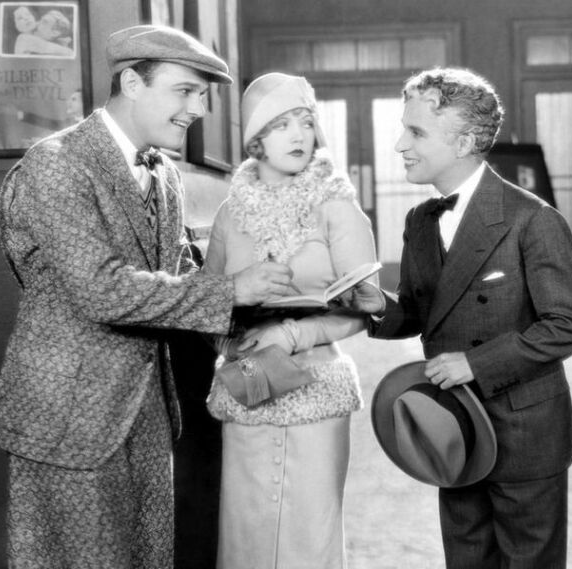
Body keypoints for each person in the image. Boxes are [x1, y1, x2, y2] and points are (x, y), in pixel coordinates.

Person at [0, 25, 294, 568]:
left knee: (148, 558)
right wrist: (230, 290)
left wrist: (260, 318)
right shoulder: (56, 163)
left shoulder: (164, 173)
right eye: (185, 91)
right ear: (131, 83)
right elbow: (102, 290)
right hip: (69, 420)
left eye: (202, 95)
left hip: (148, 412)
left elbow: (175, 274)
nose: (197, 108)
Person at [349, 67, 572, 568]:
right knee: (467, 557)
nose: (400, 144)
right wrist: (380, 306)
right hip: (454, 426)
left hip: (524, 432)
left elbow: (569, 323)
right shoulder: (420, 220)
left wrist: (475, 364)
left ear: (463, 142)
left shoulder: (533, 219)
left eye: (416, 132)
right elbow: (422, 312)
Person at [203, 72, 378, 569]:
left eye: (305, 122)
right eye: (281, 125)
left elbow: (366, 305)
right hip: (248, 383)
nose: (299, 135)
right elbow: (208, 298)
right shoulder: (230, 213)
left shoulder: (336, 204)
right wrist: (226, 342)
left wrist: (292, 333)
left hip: (317, 385)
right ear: (255, 139)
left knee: (310, 534)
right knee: (246, 532)